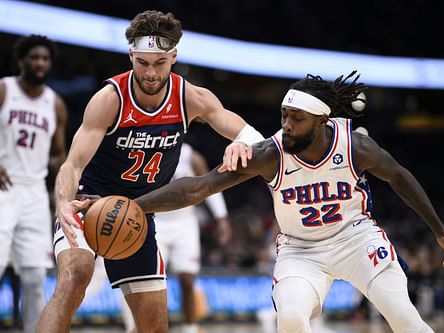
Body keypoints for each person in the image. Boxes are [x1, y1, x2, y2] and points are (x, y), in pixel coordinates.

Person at [134, 72, 444, 333]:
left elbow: (399, 177)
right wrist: (136, 204)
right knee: (291, 318)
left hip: (355, 239)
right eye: (284, 116)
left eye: (297, 118)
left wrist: (440, 232)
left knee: (404, 317)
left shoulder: (355, 147)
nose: (286, 125)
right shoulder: (269, 154)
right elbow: (198, 188)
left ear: (322, 121)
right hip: (301, 250)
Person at [35, 10, 263, 333]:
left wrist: (242, 143)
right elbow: (72, 164)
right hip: (89, 205)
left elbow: (250, 135)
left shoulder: (190, 98)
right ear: (131, 56)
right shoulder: (110, 99)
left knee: (155, 326)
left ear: (174, 57)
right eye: (142, 62)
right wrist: (62, 202)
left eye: (159, 62)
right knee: (75, 279)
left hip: (138, 216)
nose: (151, 72)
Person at [122, 143, 231, 333]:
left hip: (185, 223)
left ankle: (190, 328)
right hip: (154, 222)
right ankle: (138, 327)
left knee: (188, 281)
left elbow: (210, 188)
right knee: (148, 283)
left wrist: (222, 219)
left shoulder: (191, 156)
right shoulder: (147, 153)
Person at [0, 34, 67, 333]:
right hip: (3, 188)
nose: (40, 63)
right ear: (21, 61)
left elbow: (57, 154)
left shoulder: (55, 104)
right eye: (34, 57)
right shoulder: (4, 89)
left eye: (45, 58)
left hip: (35, 194)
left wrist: (65, 177)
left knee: (34, 276)